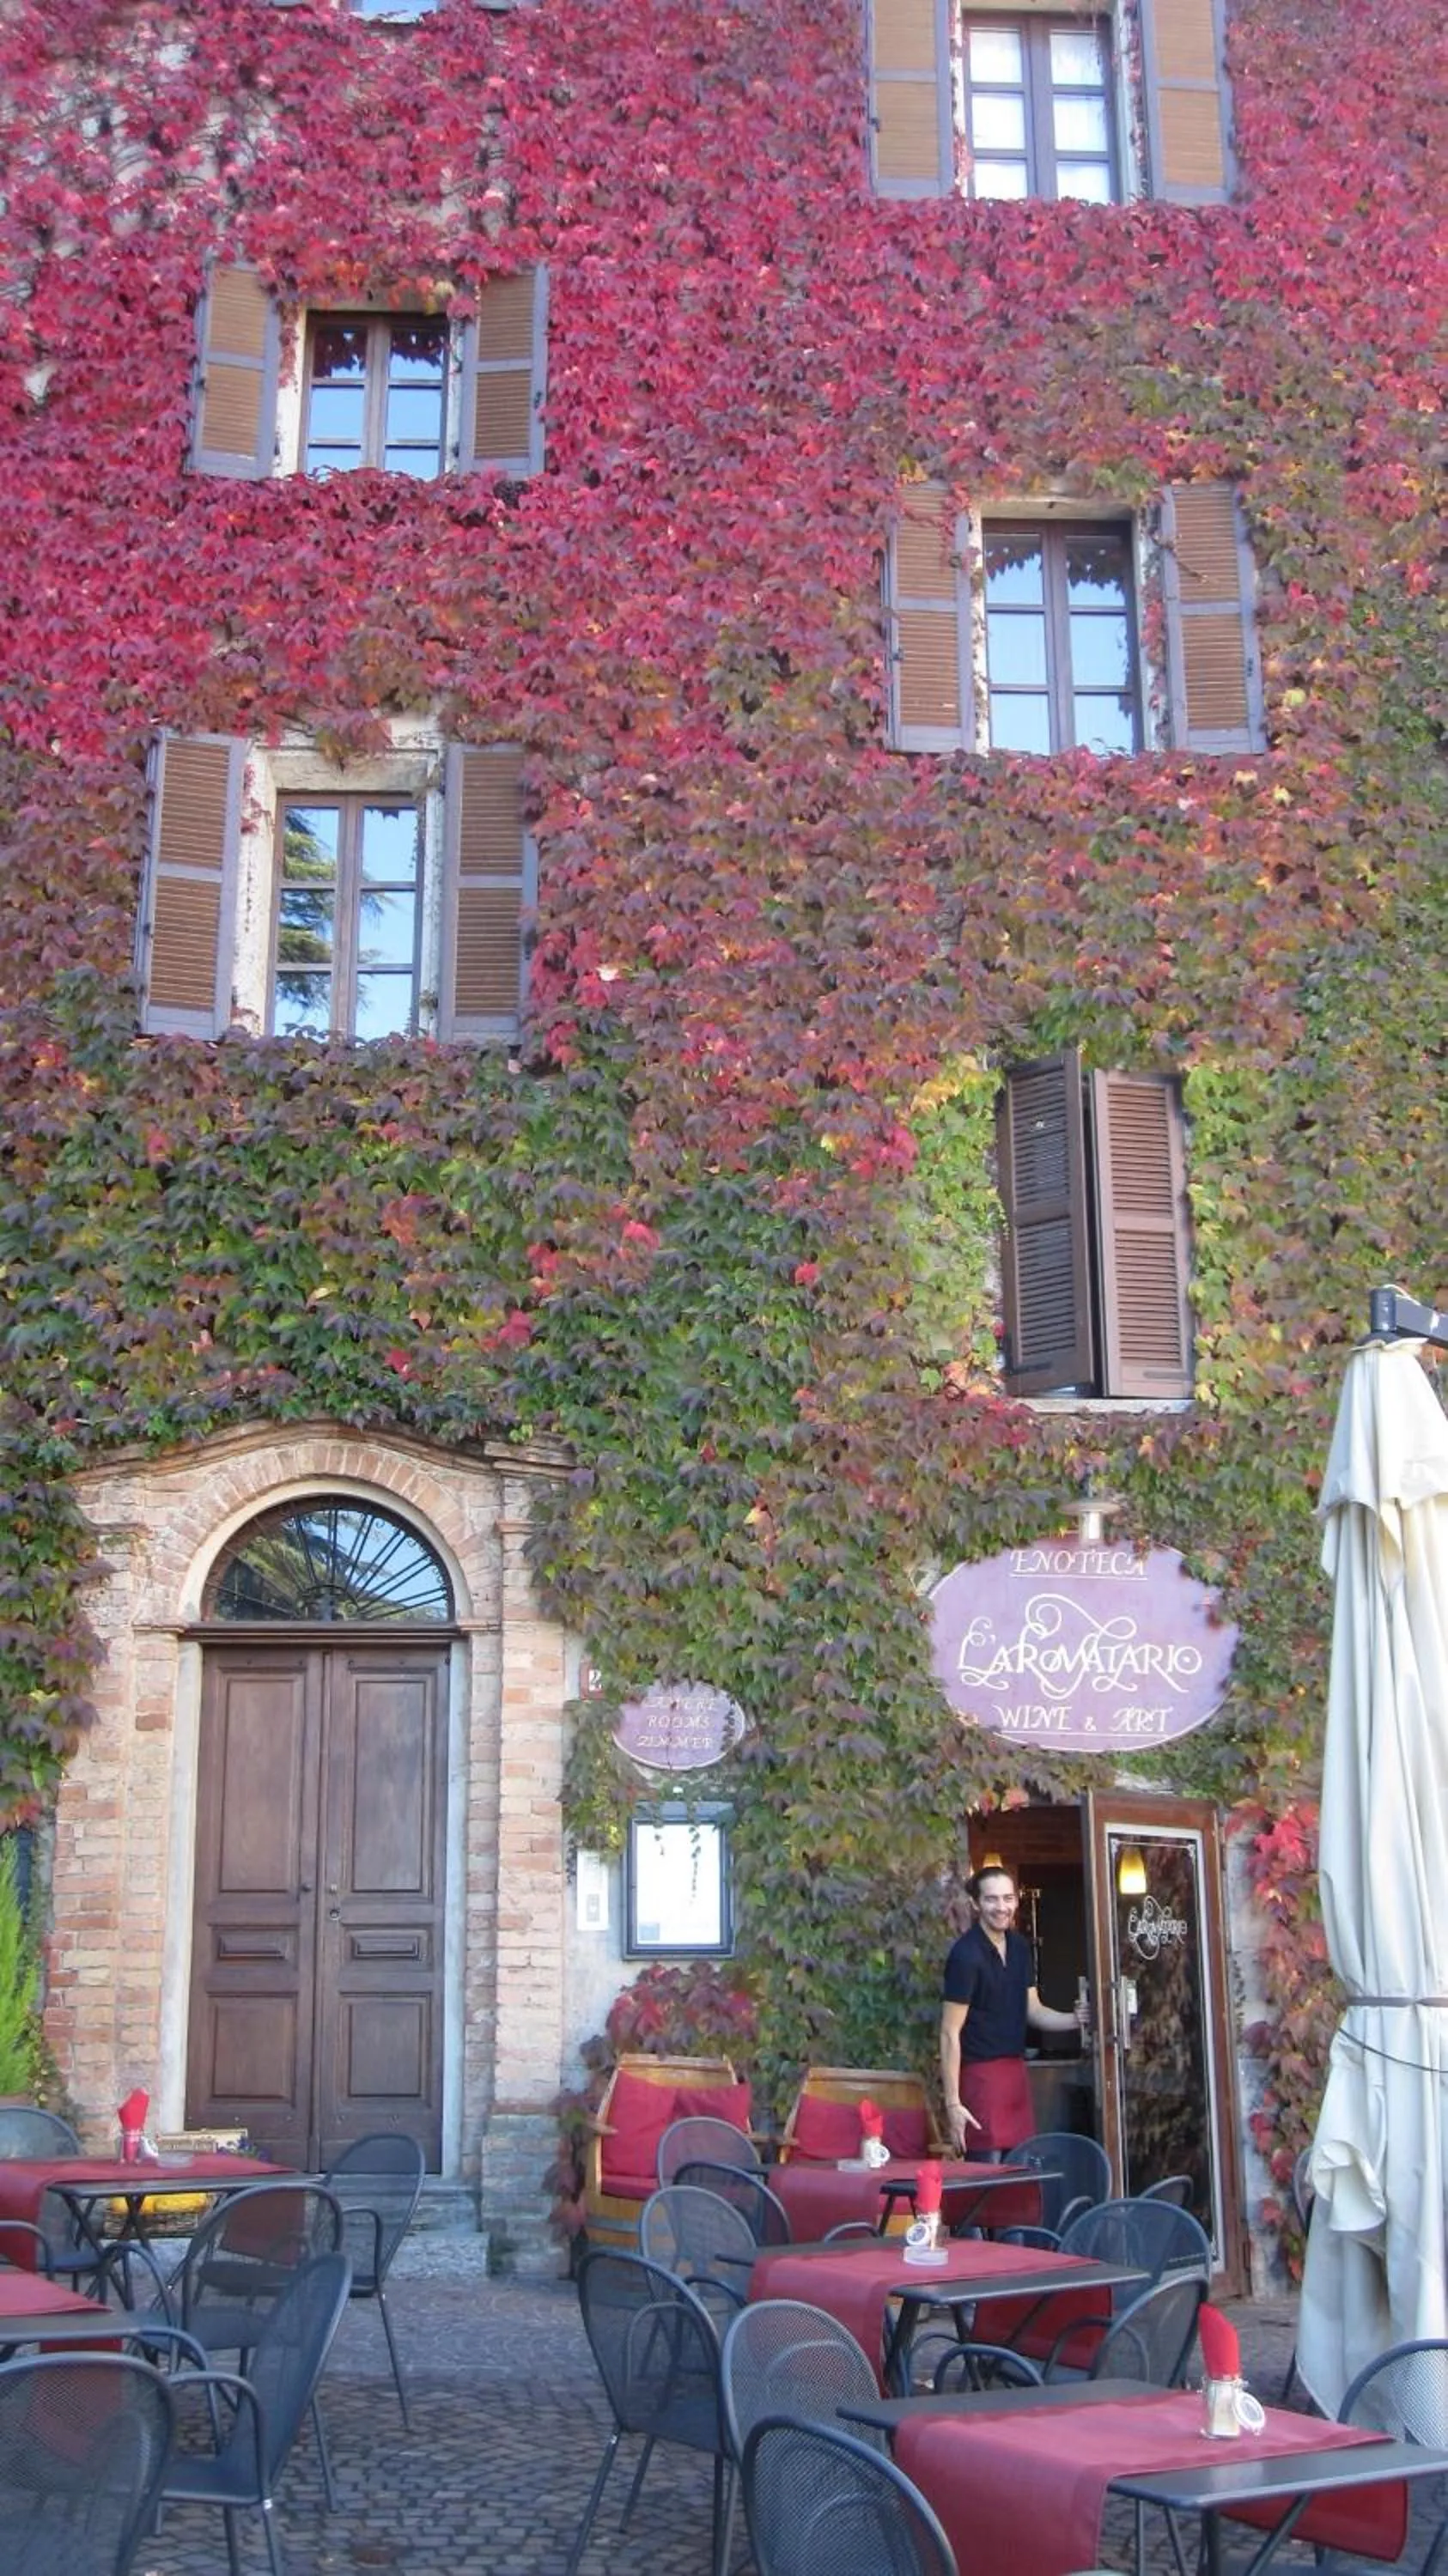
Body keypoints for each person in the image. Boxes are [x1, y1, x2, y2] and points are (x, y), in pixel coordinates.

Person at [939, 1864, 1086, 2155]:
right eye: (992, 1899)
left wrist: (1076, 2019)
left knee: (1020, 2172)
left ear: (1017, 1900)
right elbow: (949, 2032)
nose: (1001, 1907)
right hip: (980, 2077)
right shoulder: (965, 1955)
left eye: (1008, 1898)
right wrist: (953, 2103)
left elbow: (1034, 2010)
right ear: (976, 1904)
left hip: (1015, 2075)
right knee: (988, 2177)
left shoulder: (1019, 1948)